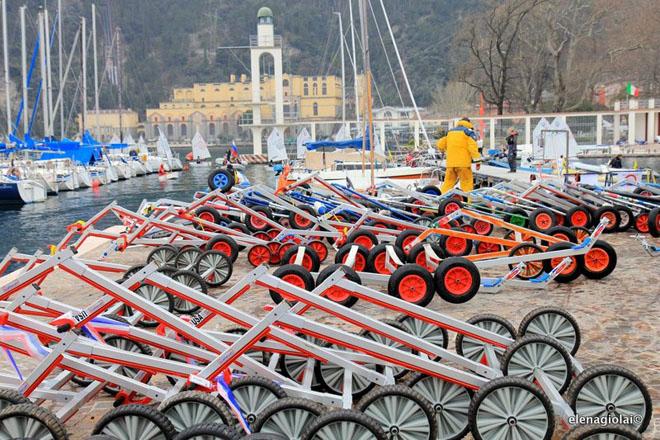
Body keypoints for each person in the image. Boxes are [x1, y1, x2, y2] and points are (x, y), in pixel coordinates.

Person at [436, 117, 481, 194]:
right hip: (463, 164)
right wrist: (478, 162)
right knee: (466, 184)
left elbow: (440, 144)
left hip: (450, 164)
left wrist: (442, 150)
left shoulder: (450, 132)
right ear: (469, 123)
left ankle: (440, 199)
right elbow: (473, 148)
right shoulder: (468, 132)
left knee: (448, 183)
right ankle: (468, 202)